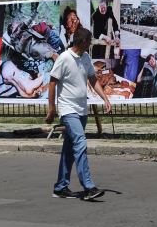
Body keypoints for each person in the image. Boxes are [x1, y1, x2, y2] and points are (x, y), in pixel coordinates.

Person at [46, 27, 112, 200]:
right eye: (89, 41)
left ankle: (60, 187)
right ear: (82, 42)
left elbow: (92, 79)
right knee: (81, 143)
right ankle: (89, 186)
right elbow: (52, 83)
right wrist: (51, 108)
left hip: (82, 110)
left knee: (69, 149)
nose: (90, 44)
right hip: (68, 110)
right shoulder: (64, 58)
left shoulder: (85, 57)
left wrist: (105, 98)